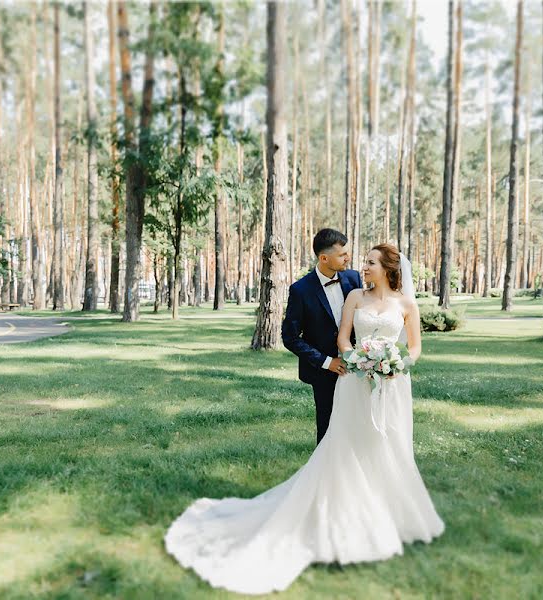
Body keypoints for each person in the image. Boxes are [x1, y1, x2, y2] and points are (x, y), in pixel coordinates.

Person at [164, 241, 445, 595]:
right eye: (364, 262)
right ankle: (342, 515)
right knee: (346, 446)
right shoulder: (356, 296)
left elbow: (416, 347)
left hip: (393, 385)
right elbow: (343, 339)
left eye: (371, 262)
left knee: (389, 445)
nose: (363, 267)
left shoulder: (405, 304)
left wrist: (396, 364)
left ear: (389, 268)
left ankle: (388, 514)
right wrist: (359, 359)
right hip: (354, 382)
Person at [282, 228, 363, 445]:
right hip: (323, 372)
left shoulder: (353, 279)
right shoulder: (300, 290)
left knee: (358, 425)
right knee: (327, 429)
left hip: (359, 367)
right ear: (324, 258)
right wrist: (327, 363)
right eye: (342, 255)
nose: (348, 258)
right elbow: (290, 337)